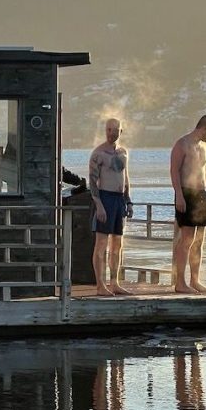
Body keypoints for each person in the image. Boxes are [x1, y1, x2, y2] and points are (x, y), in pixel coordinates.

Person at [170, 114, 206, 294]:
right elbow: (174, 171)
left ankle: (195, 281)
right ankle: (180, 282)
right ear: (205, 128)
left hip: (201, 195)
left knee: (199, 241)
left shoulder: (203, 147)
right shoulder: (182, 144)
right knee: (186, 239)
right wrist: (179, 195)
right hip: (186, 193)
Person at [88, 118, 133, 296]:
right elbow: (92, 181)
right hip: (104, 198)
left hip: (119, 199)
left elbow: (126, 178)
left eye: (115, 130)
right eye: (108, 130)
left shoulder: (123, 152)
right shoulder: (98, 154)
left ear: (121, 132)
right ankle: (101, 285)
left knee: (118, 243)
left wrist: (128, 201)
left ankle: (115, 282)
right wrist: (99, 205)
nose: (111, 133)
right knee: (101, 243)